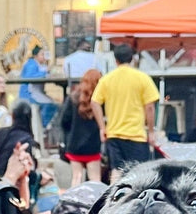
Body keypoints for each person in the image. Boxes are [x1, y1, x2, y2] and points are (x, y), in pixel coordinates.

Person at [90, 43, 160, 182]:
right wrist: (151, 131)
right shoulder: (142, 78)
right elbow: (150, 107)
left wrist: (102, 127)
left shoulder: (107, 79)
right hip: (136, 135)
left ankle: (114, 195)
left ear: (115, 60)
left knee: (116, 171)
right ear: (132, 58)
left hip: (114, 134)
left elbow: (94, 102)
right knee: (139, 173)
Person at [0, 101, 53, 199]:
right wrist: (40, 177)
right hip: (16, 185)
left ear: (12, 116)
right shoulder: (28, 141)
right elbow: (27, 169)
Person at [58, 68, 102, 185]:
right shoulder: (99, 101)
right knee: (95, 179)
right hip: (93, 147)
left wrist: (68, 137)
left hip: (74, 145)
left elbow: (64, 121)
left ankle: (75, 196)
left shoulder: (72, 98)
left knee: (76, 177)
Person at [19, 45, 59, 129]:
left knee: (55, 103)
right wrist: (45, 73)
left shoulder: (40, 65)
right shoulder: (31, 64)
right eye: (42, 54)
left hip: (36, 93)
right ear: (35, 56)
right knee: (51, 104)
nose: (44, 56)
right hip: (29, 94)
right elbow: (29, 77)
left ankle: (45, 125)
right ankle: (44, 126)